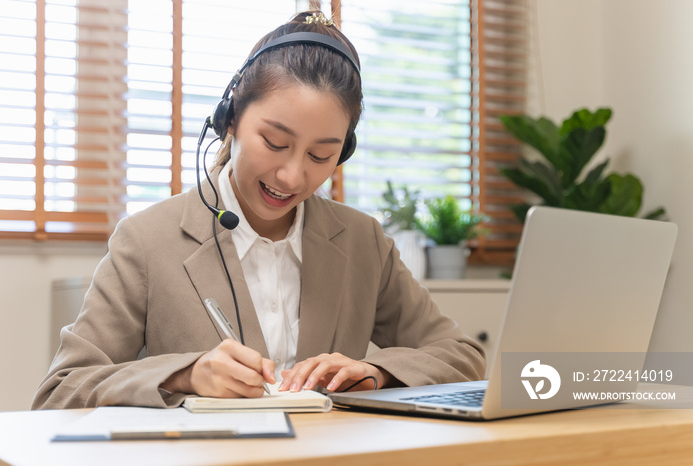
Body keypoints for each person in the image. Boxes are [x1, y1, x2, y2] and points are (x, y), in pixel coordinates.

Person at [32, 11, 485, 410]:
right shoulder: (147, 241)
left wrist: (376, 373)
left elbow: (462, 355)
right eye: (275, 143)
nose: (291, 177)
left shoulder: (365, 242)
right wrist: (184, 375)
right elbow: (61, 391)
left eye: (320, 155)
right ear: (230, 119)